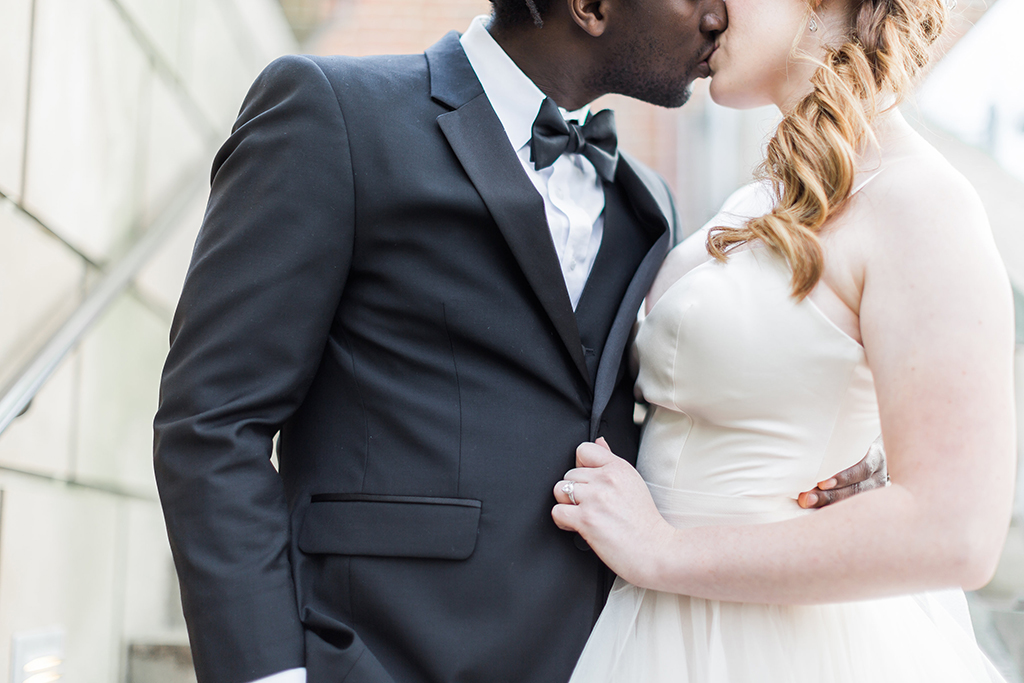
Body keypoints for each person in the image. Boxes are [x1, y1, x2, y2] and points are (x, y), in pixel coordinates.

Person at [153, 1, 886, 682]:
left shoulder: (649, 204)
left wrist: (836, 453)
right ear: (592, 6)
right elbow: (211, 422)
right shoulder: (335, 113)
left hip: (593, 657)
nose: (720, 12)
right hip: (372, 654)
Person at [551, 0, 1017, 680]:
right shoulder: (762, 198)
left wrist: (662, 550)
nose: (703, 10)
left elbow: (958, 533)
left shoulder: (922, 203)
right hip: (646, 633)